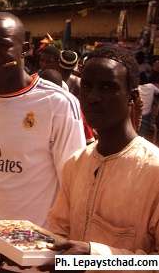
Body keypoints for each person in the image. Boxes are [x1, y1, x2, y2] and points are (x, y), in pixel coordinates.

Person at [0, 12, 86, 272]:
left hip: (35, 258)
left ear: (26, 49)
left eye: (3, 44)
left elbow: (75, 184)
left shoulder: (58, 104)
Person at [46, 46, 159, 261]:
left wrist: (95, 256)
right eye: (87, 86)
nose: (93, 97)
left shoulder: (154, 171)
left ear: (132, 97)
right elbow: (59, 233)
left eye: (107, 87)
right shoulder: (76, 163)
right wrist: (28, 255)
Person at [138, 74, 159, 141]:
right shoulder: (151, 86)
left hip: (138, 112)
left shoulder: (137, 88)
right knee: (143, 131)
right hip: (147, 114)